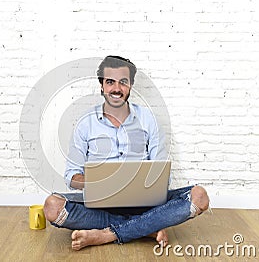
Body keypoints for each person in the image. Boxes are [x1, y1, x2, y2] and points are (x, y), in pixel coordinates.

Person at [43, 55, 210, 251]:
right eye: (110, 82)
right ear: (102, 86)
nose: (116, 88)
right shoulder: (85, 123)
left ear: (131, 85)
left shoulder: (148, 119)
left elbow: (162, 174)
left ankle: (107, 234)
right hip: (99, 206)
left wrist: (144, 182)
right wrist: (98, 182)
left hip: (144, 204)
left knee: (200, 196)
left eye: (123, 82)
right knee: (52, 206)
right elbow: (71, 177)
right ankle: (146, 227)